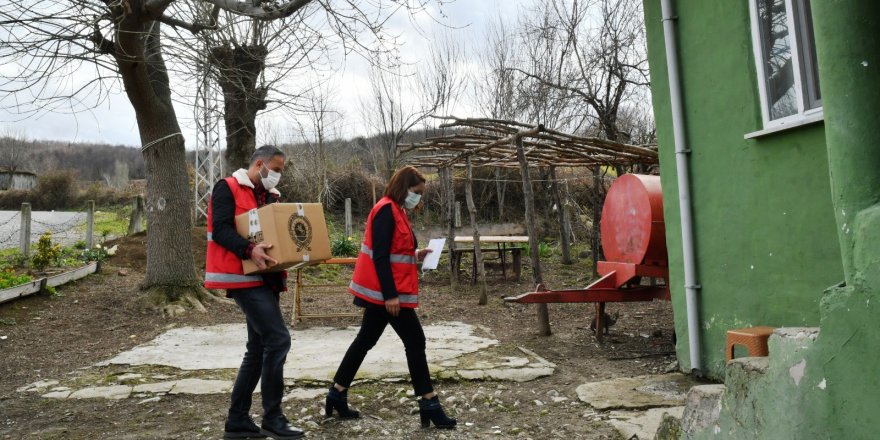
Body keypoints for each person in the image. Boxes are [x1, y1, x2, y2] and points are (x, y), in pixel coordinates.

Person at [325, 166, 457, 429]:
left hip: (385, 293)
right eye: (416, 192)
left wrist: (417, 255)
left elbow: (394, 251)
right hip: (387, 294)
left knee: (365, 340)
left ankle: (336, 394)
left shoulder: (397, 211)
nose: (418, 197)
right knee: (415, 340)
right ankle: (429, 403)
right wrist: (391, 296)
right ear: (403, 187)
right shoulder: (387, 210)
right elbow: (381, 256)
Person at [205, 145, 305, 440]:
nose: (278, 176)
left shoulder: (270, 197)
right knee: (278, 339)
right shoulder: (228, 188)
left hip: (266, 278)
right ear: (259, 164)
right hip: (241, 277)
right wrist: (249, 249)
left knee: (259, 347)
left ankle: (237, 421)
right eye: (276, 169)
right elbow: (221, 229)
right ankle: (273, 418)